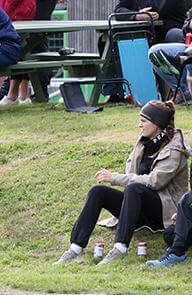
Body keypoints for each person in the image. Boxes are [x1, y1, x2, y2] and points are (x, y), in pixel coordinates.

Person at [57, 100, 189, 266]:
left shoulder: (175, 150)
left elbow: (155, 182)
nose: (139, 125)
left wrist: (114, 177)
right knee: (98, 191)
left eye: (143, 121)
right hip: (135, 206)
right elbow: (131, 172)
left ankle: (120, 248)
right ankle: (76, 247)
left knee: (134, 188)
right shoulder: (144, 143)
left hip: (164, 212)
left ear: (157, 124)